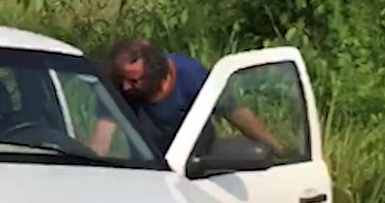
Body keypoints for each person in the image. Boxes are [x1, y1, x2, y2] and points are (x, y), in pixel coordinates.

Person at [88, 38, 285, 158]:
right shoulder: (120, 88)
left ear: (153, 69)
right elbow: (102, 138)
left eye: (134, 80)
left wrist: (277, 149)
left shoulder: (191, 76)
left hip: (196, 167)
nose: (126, 87)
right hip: (150, 172)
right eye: (121, 79)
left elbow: (235, 113)